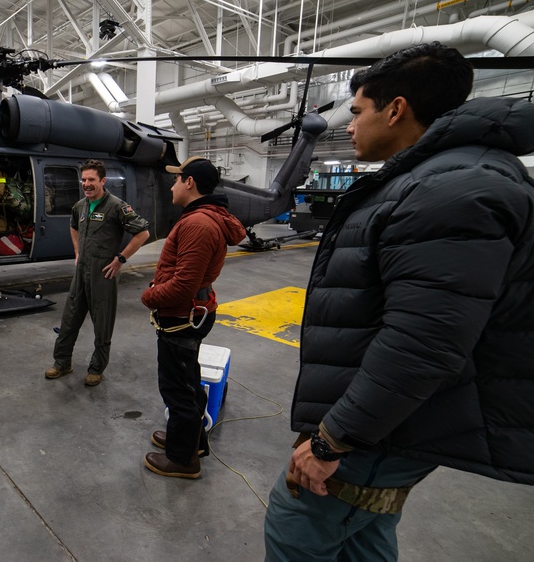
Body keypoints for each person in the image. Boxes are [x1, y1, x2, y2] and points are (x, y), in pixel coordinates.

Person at [263, 43, 534, 561]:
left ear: (397, 109)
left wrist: (332, 440)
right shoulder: (446, 179)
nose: (350, 126)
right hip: (393, 423)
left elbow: (423, 344)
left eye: (358, 112)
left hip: (383, 430)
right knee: (365, 533)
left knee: (296, 526)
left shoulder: (451, 191)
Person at [141, 157, 246, 479]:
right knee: (187, 383)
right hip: (189, 313)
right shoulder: (202, 219)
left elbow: (184, 285)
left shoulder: (197, 224)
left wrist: (149, 297)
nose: (172, 185)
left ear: (190, 183)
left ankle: (183, 460)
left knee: (178, 389)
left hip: (181, 315)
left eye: (177, 180)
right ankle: (191, 441)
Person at [44, 159, 151, 386]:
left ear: (102, 181)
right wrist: (76, 250)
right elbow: (73, 226)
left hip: (104, 274)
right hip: (81, 272)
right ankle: (62, 362)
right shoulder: (80, 206)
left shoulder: (116, 206)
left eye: (91, 179)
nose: (86, 184)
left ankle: (96, 368)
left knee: (102, 324)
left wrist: (121, 259)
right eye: (83, 179)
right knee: (69, 319)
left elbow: (143, 233)